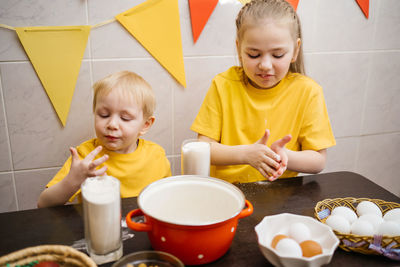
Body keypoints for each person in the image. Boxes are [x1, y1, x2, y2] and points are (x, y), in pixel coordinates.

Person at [190, 0, 335, 183]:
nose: (265, 65)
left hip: (283, 197)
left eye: (277, 55)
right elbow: (202, 148)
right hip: (228, 194)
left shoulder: (308, 91)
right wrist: (246, 154)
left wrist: (284, 155)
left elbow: (318, 161)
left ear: (295, 50)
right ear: (239, 48)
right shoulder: (223, 85)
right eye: (254, 54)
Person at [38, 71, 171, 208]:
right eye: (104, 115)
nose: (112, 124)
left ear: (145, 125)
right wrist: (73, 181)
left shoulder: (156, 156)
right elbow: (43, 204)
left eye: (125, 118)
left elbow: (169, 200)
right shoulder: (86, 156)